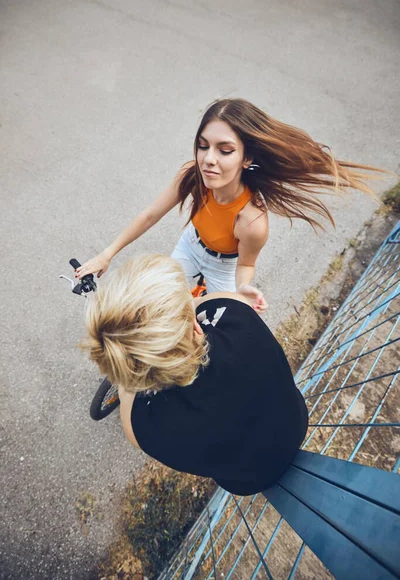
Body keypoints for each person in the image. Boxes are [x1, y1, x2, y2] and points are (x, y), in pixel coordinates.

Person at [76, 98, 382, 313]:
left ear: (246, 159)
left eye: (225, 150)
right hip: (191, 246)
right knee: (162, 301)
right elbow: (150, 215)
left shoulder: (252, 221)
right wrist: (106, 254)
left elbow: (246, 265)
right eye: (203, 145)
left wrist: (243, 289)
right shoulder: (192, 175)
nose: (209, 159)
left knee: (209, 323)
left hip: (225, 265)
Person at [81, 254, 309, 496]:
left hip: (246, 481)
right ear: (195, 327)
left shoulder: (143, 428)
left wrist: (131, 372)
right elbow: (213, 302)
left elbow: (128, 393)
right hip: (295, 421)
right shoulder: (237, 318)